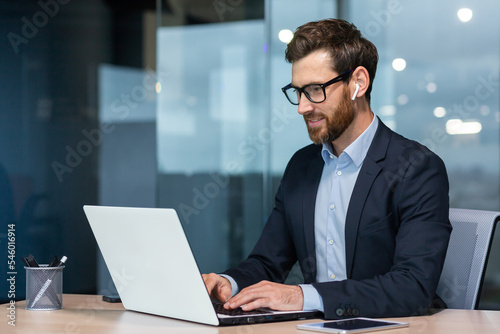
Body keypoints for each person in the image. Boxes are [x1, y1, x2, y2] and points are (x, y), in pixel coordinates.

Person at [203, 18, 451, 319]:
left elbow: (412, 288)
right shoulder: (301, 167)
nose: (302, 107)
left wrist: (303, 295)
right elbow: (267, 262)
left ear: (358, 83)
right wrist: (227, 283)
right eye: (298, 92)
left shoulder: (417, 168)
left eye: (315, 89)